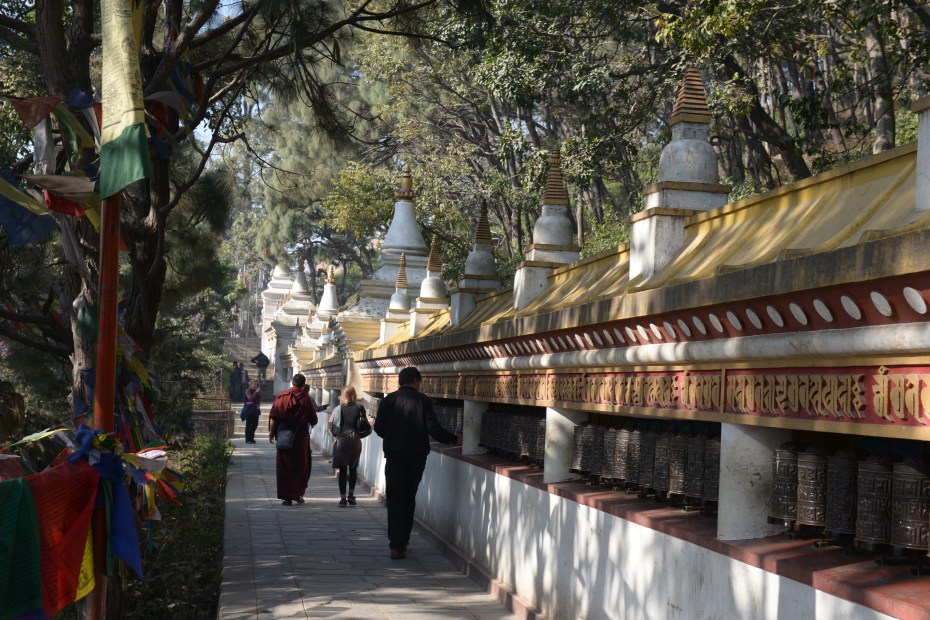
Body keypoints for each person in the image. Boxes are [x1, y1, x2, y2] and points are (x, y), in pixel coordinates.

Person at [373, 366, 458, 559]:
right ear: (415, 381)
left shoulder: (388, 401)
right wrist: (453, 439)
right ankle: (403, 542)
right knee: (408, 498)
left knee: (394, 499)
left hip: (394, 458)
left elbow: (378, 428)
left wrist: (392, 436)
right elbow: (434, 429)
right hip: (416, 459)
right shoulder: (423, 401)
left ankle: (395, 544)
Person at [268, 374, 319, 505]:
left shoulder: (282, 396)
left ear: (292, 382)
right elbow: (314, 419)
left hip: (284, 436)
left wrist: (271, 434)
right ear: (303, 384)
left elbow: (273, 417)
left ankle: (286, 497)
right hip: (300, 438)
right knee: (301, 467)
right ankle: (297, 494)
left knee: (284, 466)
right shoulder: (305, 399)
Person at [329, 386, 367, 507]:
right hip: (355, 440)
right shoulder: (360, 408)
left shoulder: (338, 409)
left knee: (343, 470)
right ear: (355, 395)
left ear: (343, 395)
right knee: (353, 468)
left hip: (342, 441)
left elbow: (331, 427)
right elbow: (364, 423)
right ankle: (351, 495)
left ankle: (342, 499)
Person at [242, 379, 263, 444]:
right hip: (249, 409)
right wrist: (256, 392)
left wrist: (259, 405)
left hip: (255, 409)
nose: (255, 386)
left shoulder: (258, 391)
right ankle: (248, 439)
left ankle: (251, 438)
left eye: (256, 384)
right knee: (249, 424)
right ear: (250, 384)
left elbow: (260, 398)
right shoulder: (247, 391)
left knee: (255, 424)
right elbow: (250, 398)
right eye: (254, 384)